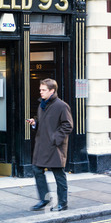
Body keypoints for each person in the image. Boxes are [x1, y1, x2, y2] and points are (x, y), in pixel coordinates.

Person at [26, 78, 73, 212]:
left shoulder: (61, 106)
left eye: (43, 90)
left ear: (52, 91)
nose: (40, 92)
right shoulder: (43, 104)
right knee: (36, 170)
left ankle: (63, 203)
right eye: (40, 90)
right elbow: (43, 121)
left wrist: (55, 139)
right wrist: (34, 122)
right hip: (42, 145)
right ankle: (44, 199)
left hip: (55, 146)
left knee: (59, 174)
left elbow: (68, 125)